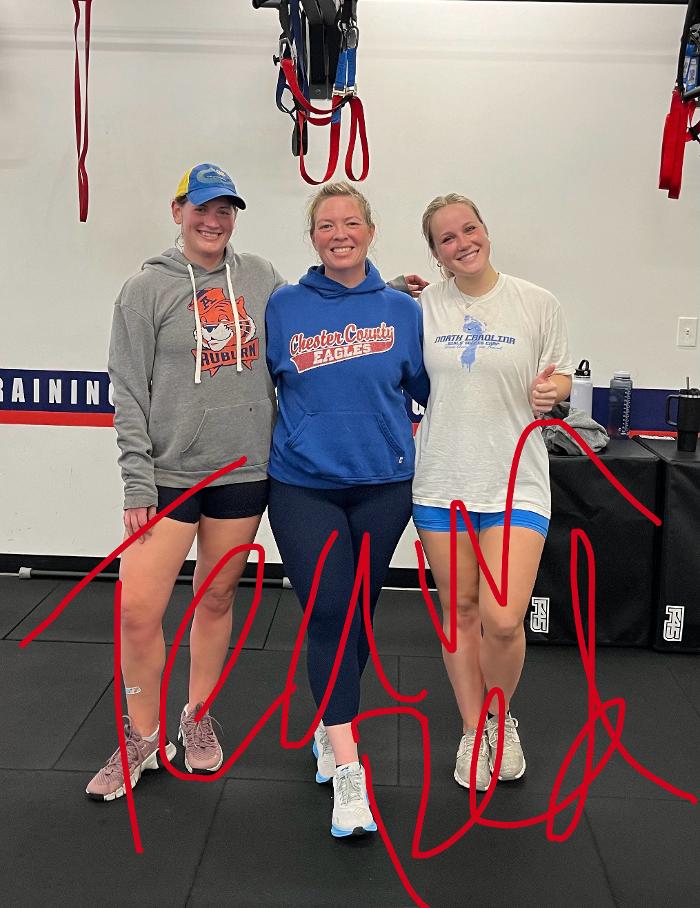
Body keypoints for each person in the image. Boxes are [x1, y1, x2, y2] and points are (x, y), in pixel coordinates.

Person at [87, 163, 285, 800]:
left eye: (225, 211)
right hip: (170, 476)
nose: (213, 221)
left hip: (242, 469)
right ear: (178, 212)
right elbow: (127, 390)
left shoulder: (259, 277)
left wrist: (381, 290)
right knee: (138, 610)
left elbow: (315, 316)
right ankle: (142, 737)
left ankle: (196, 717)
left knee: (215, 598)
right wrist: (136, 483)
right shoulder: (145, 289)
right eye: (202, 209)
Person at [265, 182, 429, 837]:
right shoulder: (284, 306)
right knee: (330, 610)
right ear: (313, 238)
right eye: (326, 224)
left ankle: (329, 726)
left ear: (370, 230)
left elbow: (431, 388)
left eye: (351, 222)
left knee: (358, 612)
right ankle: (349, 766)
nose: (340, 233)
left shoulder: (402, 310)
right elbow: (254, 384)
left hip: (383, 486)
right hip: (303, 486)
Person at [412, 194, 574, 792]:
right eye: (447, 238)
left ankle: (500, 719)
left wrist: (555, 389)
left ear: (485, 230)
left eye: (469, 229)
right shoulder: (423, 308)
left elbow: (560, 373)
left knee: (502, 619)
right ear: (436, 253)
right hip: (442, 479)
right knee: (459, 611)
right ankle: (472, 728)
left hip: (515, 481)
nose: (463, 243)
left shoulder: (537, 302)